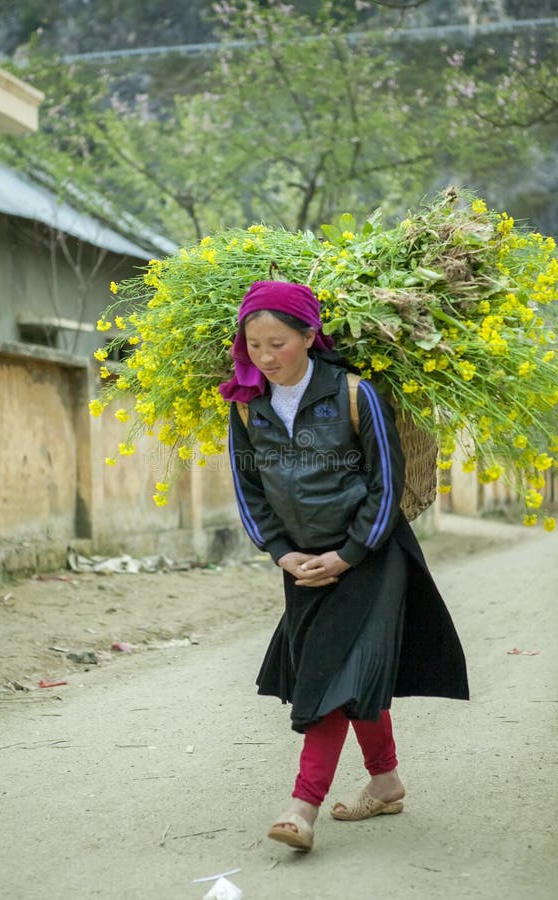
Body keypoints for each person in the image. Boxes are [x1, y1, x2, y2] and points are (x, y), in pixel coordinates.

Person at [219, 280, 469, 852]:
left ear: (310, 336)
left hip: (372, 558)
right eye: (253, 344)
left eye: (277, 343)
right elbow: (249, 489)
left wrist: (349, 553)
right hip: (301, 565)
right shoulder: (245, 405)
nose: (264, 356)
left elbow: (389, 486)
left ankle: (301, 808)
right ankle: (385, 782)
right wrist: (283, 553)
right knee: (350, 674)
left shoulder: (356, 395)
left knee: (327, 679)